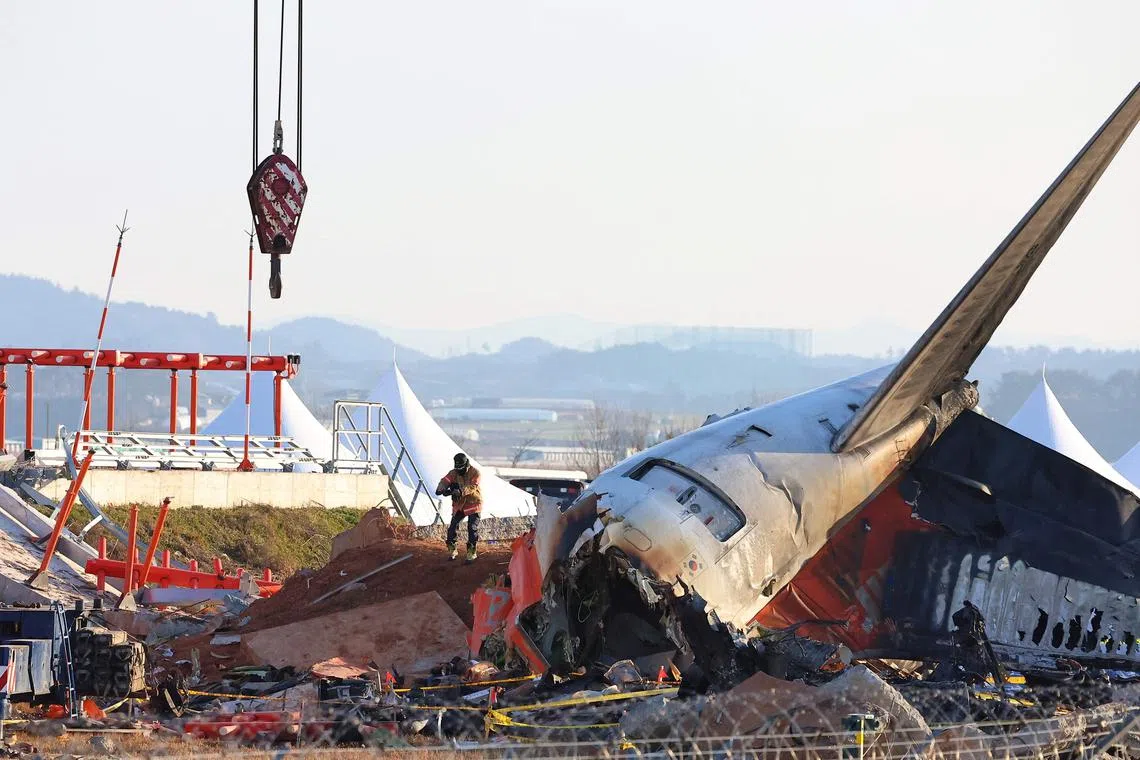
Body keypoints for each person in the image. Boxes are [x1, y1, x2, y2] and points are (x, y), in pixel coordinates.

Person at [436, 452, 482, 562]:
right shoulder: (453, 473)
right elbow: (444, 481)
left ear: (466, 464)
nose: (459, 470)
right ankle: (452, 550)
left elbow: (472, 487)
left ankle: (471, 552)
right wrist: (441, 489)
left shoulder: (475, 472)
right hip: (459, 505)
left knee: (472, 527)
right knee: (452, 527)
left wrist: (460, 491)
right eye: (457, 468)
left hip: (473, 504)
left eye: (461, 468)